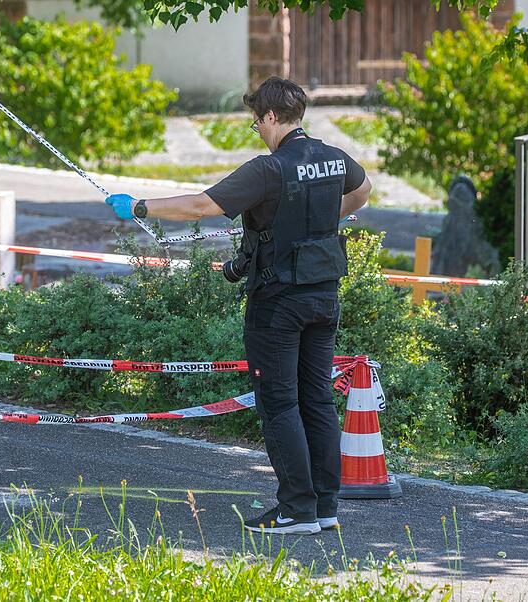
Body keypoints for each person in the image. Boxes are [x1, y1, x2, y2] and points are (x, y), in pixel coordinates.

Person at [106, 77, 371, 535]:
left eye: (256, 122)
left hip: (278, 302)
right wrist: (320, 218)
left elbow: (199, 205)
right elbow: (363, 191)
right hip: (324, 295)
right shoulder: (333, 158)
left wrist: (140, 207)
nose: (257, 129)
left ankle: (295, 510)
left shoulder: (268, 170)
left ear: (270, 116)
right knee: (318, 400)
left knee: (279, 403)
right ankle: (324, 507)